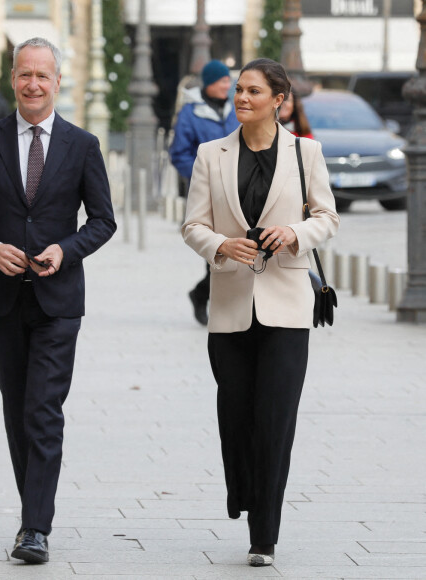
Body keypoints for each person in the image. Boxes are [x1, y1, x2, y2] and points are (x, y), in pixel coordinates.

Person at [0, 37, 116, 564]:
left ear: (58, 82)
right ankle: (31, 511)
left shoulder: (82, 145)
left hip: (58, 302)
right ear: (12, 79)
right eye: (24, 75)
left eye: (43, 76)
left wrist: (67, 249)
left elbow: (104, 221)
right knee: (18, 409)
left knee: (43, 411)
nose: (33, 84)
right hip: (0, 301)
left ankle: (35, 528)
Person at [181, 58, 339, 567]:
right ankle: (242, 489)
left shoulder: (305, 152)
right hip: (228, 309)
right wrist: (222, 246)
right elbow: (192, 227)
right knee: (236, 417)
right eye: (238, 91)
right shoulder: (211, 154)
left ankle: (263, 534)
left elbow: (326, 216)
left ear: (279, 99)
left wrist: (296, 233)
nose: (241, 98)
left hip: (288, 309)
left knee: (275, 421)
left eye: (253, 91)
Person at [169, 60, 240, 326]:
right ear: (210, 83)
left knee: (235, 247)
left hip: (237, 189)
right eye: (222, 81)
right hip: (207, 193)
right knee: (215, 248)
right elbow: (179, 153)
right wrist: (203, 176)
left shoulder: (236, 108)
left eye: (227, 81)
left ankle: (202, 294)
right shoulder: (190, 113)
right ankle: (207, 298)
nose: (227, 86)